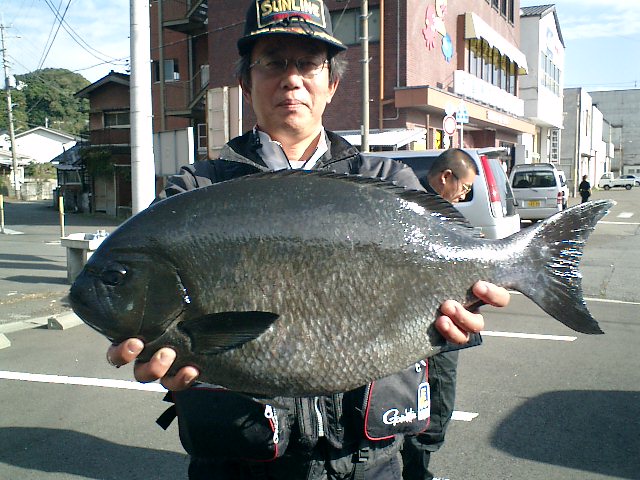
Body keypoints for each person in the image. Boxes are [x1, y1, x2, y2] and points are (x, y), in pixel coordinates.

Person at [106, 2, 510, 478]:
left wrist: (462, 319)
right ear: (246, 83)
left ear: (331, 84)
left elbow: (435, 298)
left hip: (366, 464)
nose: (291, 78)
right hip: (237, 465)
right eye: (274, 62)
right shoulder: (197, 191)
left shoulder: (387, 178)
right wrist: (159, 362)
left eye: (308, 64)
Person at [402, 149, 479, 480]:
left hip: (438, 325)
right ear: (446, 177)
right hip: (429, 331)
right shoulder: (416, 209)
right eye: (465, 187)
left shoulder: (436, 208)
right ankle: (418, 473)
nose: (465, 195)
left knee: (432, 406)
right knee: (430, 407)